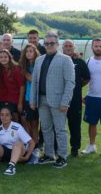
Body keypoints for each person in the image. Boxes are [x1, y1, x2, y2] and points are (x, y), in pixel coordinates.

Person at [29, 32, 75, 168]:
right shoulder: (39, 60)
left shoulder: (66, 59)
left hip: (58, 101)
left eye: (52, 43)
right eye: (47, 43)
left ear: (57, 44)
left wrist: (65, 102)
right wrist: (33, 99)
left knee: (60, 130)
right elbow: (35, 81)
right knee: (45, 128)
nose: (49, 45)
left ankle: (62, 156)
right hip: (42, 100)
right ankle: (49, 155)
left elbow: (70, 82)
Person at [0, 106, 36, 176]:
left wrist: (27, 157)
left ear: (11, 116)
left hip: (18, 152)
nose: (4, 117)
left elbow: (32, 143)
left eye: (7, 115)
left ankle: (11, 167)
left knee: (18, 143)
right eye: (2, 115)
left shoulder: (17, 127)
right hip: (5, 153)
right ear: (0, 116)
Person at [62, 40, 90, 157]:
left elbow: (87, 78)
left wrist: (77, 86)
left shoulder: (80, 61)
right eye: (66, 46)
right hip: (59, 98)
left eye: (70, 46)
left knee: (75, 125)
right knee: (58, 125)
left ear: (74, 48)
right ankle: (57, 147)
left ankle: (75, 148)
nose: (68, 48)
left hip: (75, 99)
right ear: (62, 48)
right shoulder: (58, 59)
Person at [19, 43, 40, 159]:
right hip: (27, 98)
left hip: (37, 99)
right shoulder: (24, 66)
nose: (28, 53)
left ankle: (36, 147)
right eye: (27, 52)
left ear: (35, 52)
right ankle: (29, 145)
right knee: (27, 123)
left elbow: (34, 80)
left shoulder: (38, 64)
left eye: (31, 51)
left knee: (35, 124)